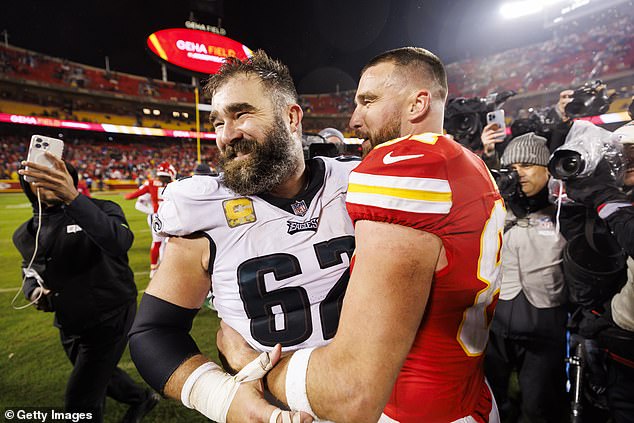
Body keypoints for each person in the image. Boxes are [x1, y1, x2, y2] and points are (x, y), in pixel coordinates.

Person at [216, 47, 505, 422]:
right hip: (471, 398)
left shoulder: (401, 170)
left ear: (418, 104)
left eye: (368, 101)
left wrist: (253, 363)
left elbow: (350, 391)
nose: (354, 118)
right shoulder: (470, 163)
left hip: (411, 412)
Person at [128, 50, 358, 423]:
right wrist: (223, 398)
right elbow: (155, 331)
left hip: (379, 398)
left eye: (241, 114)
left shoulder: (357, 182)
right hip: (274, 410)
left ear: (292, 116)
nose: (227, 135)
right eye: (218, 122)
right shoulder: (201, 209)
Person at [13, 153, 159, 423]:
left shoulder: (103, 209)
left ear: (71, 179)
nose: (48, 182)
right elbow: (29, 270)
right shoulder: (25, 233)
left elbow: (119, 242)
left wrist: (74, 199)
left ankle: (136, 400)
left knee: (80, 400)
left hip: (110, 315)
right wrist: (33, 291)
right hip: (68, 321)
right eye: (39, 178)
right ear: (28, 186)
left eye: (56, 175)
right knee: (100, 373)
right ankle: (141, 398)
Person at [484, 132, 569, 422]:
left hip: (544, 325)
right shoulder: (496, 208)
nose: (519, 174)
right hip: (497, 325)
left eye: (527, 165)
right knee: (495, 402)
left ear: (548, 169)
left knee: (539, 408)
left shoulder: (565, 212)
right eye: (512, 167)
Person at [564, 120, 634, 423]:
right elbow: (585, 255)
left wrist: (607, 200)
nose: (626, 163)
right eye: (622, 155)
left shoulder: (617, 205)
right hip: (621, 350)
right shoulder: (619, 202)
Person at [124, 161, 176, 278]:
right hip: (170, 217)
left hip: (156, 217)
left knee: (157, 242)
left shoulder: (151, 183)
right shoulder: (175, 184)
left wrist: (128, 196)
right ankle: (165, 267)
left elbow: (133, 195)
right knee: (167, 243)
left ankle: (153, 268)